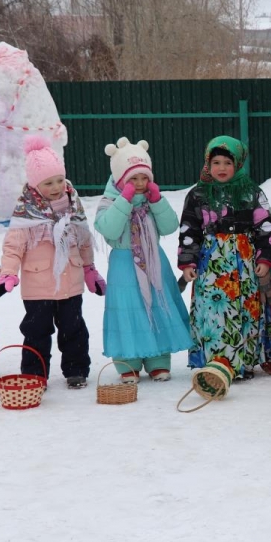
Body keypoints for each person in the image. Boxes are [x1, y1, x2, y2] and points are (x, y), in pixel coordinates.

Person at [0, 135, 105, 389]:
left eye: (59, 180)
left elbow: (83, 241)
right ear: (35, 184)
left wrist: (89, 269)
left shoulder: (73, 205)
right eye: (48, 182)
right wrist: (8, 274)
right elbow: (14, 246)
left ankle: (76, 370)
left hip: (71, 282)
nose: (56, 187)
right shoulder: (26, 210)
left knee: (74, 330)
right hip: (37, 285)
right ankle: (34, 374)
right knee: (36, 332)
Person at [178, 136, 271, 379]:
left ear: (238, 164)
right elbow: (189, 230)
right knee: (214, 311)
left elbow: (266, 228)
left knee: (245, 311)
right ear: (207, 165)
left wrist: (264, 259)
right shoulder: (198, 194)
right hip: (211, 264)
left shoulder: (251, 192)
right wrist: (188, 263)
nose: (221, 168)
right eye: (216, 163)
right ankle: (216, 361)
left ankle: (243, 362)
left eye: (227, 163)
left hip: (244, 264)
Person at [95, 137, 192, 383]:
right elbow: (109, 229)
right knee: (129, 310)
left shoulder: (151, 201)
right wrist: (124, 201)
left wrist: (157, 201)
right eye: (133, 178)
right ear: (120, 179)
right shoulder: (109, 201)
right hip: (124, 265)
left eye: (144, 177)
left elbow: (170, 226)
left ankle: (158, 360)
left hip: (154, 263)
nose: (139, 184)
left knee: (158, 306)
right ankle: (128, 361)